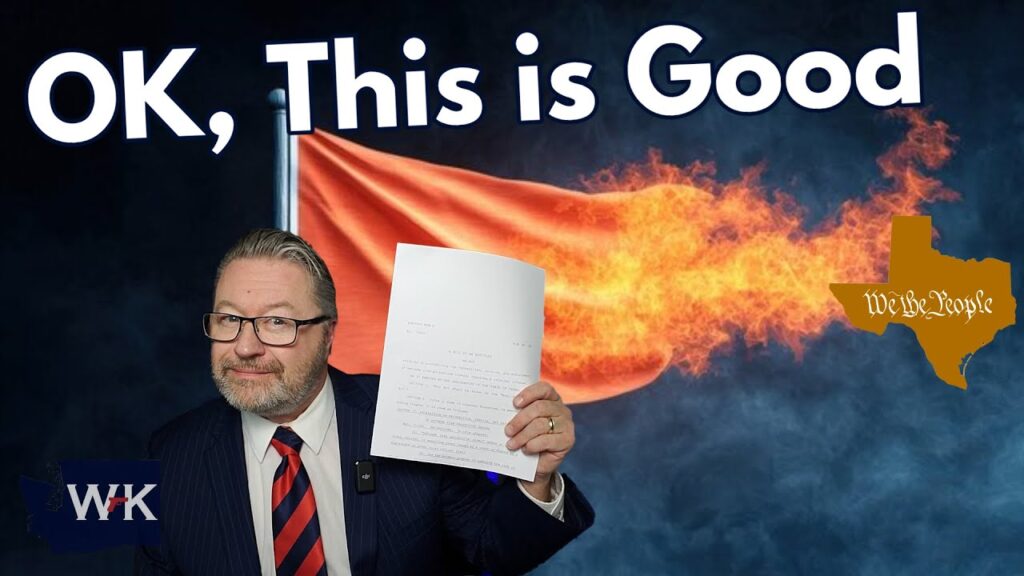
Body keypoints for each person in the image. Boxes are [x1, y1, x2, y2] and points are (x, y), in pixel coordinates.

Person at [135, 229, 594, 576]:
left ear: (328, 334)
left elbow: (492, 551)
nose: (246, 347)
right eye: (229, 319)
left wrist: (537, 479)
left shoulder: (411, 411)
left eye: (277, 322)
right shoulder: (169, 454)